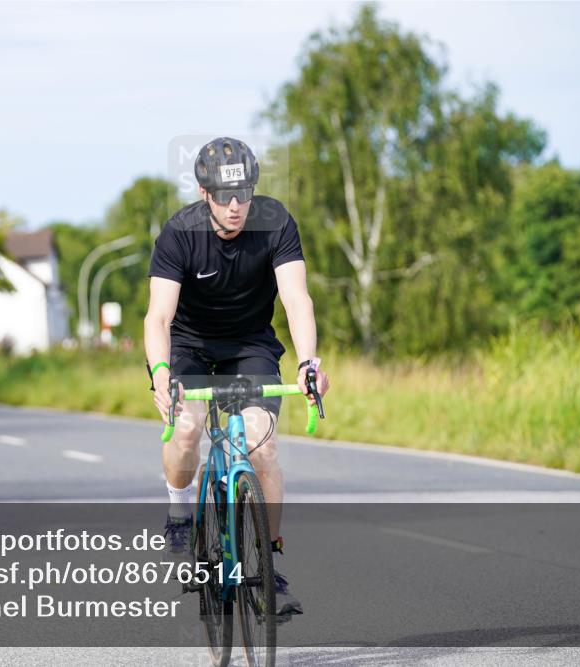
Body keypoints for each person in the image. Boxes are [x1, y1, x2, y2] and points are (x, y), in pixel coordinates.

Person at [144, 137, 330, 620]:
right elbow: (158, 317)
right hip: (188, 344)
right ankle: (180, 509)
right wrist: (161, 373)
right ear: (204, 193)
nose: (235, 207)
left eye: (243, 194)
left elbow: (297, 299)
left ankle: (269, 564)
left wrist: (309, 362)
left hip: (249, 344)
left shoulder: (275, 222)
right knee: (185, 428)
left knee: (261, 446)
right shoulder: (179, 233)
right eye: (224, 197)